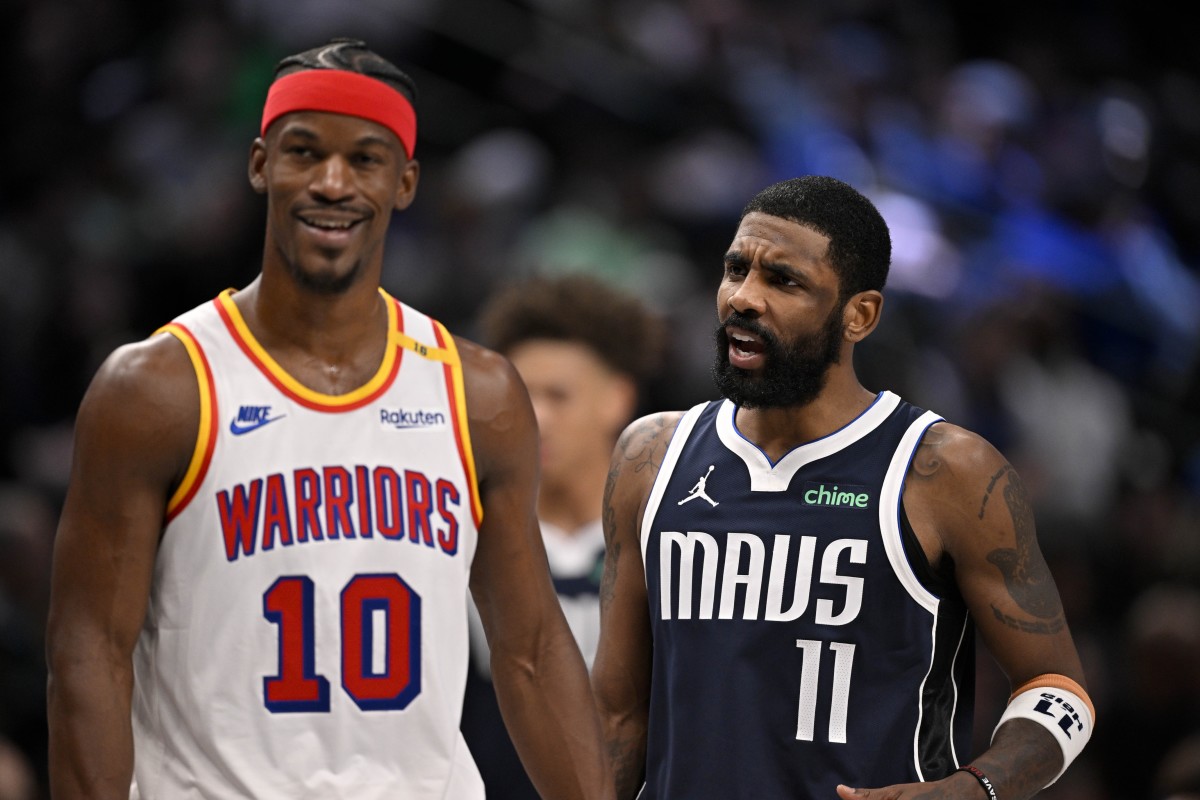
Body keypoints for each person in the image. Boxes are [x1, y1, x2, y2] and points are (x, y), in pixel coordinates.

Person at [44, 38, 613, 800]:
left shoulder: (478, 394)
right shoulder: (158, 388)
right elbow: (88, 655)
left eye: (366, 160)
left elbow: (533, 650)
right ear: (259, 164)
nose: (332, 183)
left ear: (405, 182)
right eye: (303, 153)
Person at [591, 175, 1094, 799]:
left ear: (860, 315)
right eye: (736, 269)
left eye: (784, 281)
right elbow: (616, 717)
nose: (743, 298)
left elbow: (1058, 693)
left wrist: (973, 789)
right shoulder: (651, 456)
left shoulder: (947, 470)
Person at [461, 274, 664, 799]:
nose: (537, 417)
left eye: (558, 396)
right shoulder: (462, 535)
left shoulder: (667, 540)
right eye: (523, 395)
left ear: (616, 399)